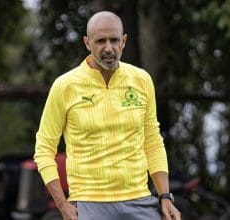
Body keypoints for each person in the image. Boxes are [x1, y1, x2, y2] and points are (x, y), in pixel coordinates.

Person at [34, 11, 181, 220]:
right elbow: (43, 149)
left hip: (139, 201)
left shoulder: (142, 80)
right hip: (88, 204)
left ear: (124, 41)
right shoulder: (64, 86)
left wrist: (165, 196)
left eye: (114, 40)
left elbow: (153, 142)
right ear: (87, 43)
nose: (108, 48)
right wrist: (62, 204)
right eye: (101, 41)